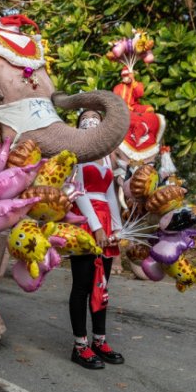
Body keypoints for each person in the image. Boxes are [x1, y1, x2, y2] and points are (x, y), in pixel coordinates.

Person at [67, 110, 126, 370]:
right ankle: (80, 346)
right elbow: (77, 191)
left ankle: (99, 341)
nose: (91, 119)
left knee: (102, 284)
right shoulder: (76, 153)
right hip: (85, 222)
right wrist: (95, 227)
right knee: (82, 285)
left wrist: (118, 227)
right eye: (86, 117)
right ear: (79, 124)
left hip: (105, 223)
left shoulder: (105, 155)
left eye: (95, 116)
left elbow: (110, 194)